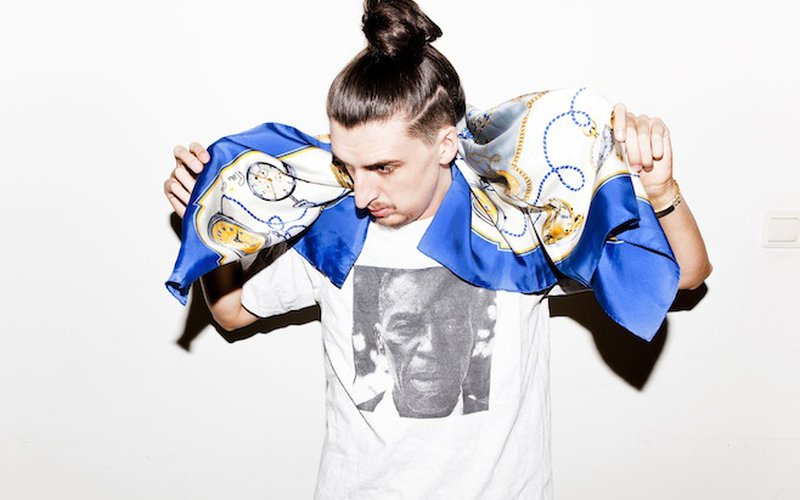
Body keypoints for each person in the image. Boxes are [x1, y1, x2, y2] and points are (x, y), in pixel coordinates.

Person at [163, 0, 712, 497]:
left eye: (383, 167)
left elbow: (685, 275)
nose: (362, 193)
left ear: (445, 143)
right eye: (348, 166)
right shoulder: (334, 227)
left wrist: (661, 189)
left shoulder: (515, 222)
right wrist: (212, 222)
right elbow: (231, 312)